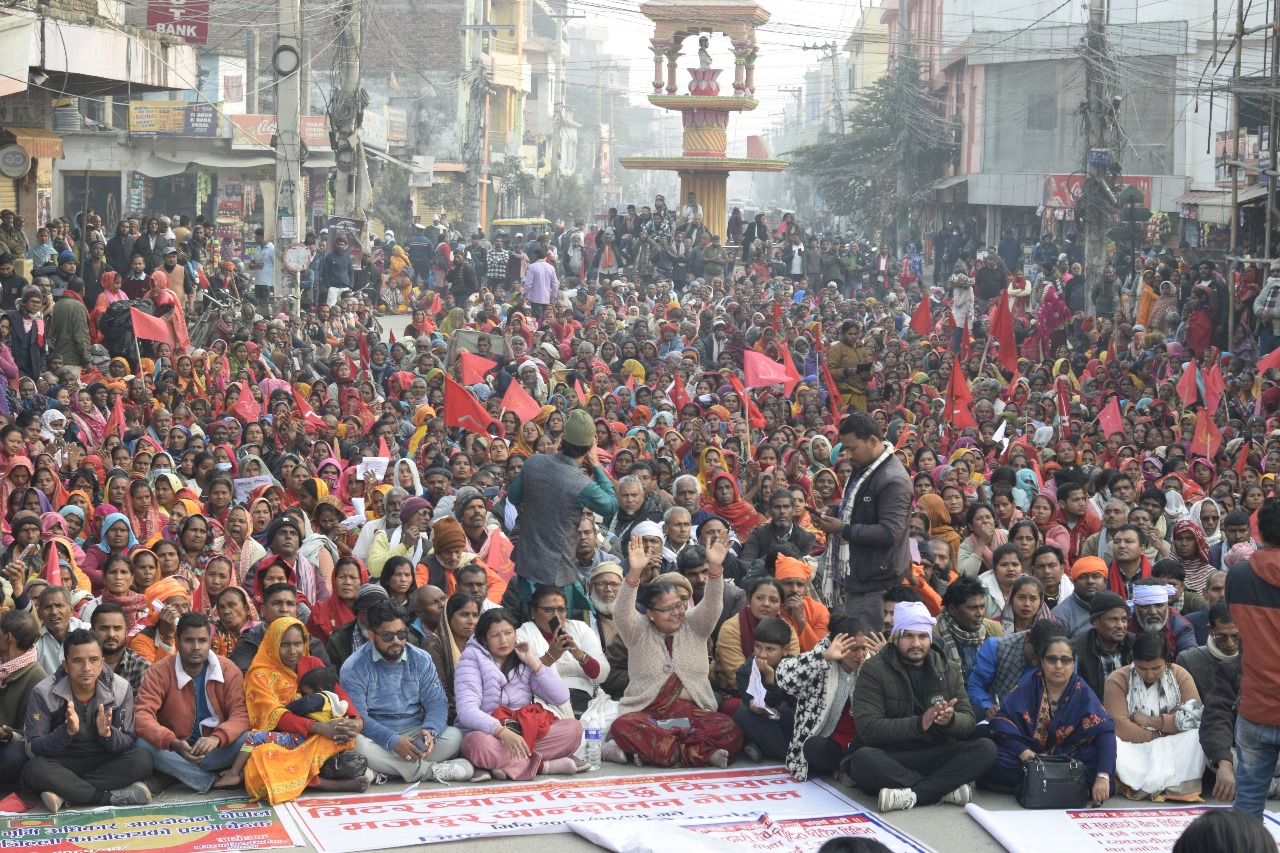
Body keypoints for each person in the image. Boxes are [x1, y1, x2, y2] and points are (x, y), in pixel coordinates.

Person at [604, 537, 742, 767]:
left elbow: (712, 605)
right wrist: (634, 574)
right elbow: (621, 613)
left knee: (730, 729)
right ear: (650, 613)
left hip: (691, 715)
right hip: (649, 716)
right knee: (623, 726)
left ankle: (656, 752)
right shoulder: (637, 631)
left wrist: (716, 569)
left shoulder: (695, 624)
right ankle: (700, 754)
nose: (676, 612)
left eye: (679, 605)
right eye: (667, 609)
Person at [847, 601, 996, 813]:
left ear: (930, 638)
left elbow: (968, 722)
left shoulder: (948, 668)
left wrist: (950, 721)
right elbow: (869, 729)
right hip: (893, 755)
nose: (916, 643)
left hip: (936, 752)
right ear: (896, 637)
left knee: (986, 748)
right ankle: (942, 789)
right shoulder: (874, 669)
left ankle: (914, 794)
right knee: (862, 760)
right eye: (908, 636)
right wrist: (919, 723)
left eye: (923, 636)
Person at [214, 617, 366, 802]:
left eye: (298, 644)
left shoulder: (311, 663)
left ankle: (313, 777)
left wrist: (356, 721)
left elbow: (336, 692)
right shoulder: (259, 675)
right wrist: (318, 728)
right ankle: (328, 784)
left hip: (318, 737)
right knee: (261, 757)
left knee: (341, 731)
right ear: (273, 643)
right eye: (285, 645)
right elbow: (276, 715)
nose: (293, 651)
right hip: (285, 740)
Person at [21, 629, 153, 812]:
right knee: (34, 769)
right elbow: (33, 747)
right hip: (62, 762)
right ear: (65, 665)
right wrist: (66, 732)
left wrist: (108, 734)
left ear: (102, 663)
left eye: (93, 660)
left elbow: (128, 742)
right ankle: (109, 797)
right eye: (77, 661)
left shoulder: (120, 688)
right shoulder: (43, 692)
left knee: (142, 759)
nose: (86, 668)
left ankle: (65, 792)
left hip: (104, 761)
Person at [341, 600, 472, 783]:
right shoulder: (354, 667)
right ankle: (431, 772)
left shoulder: (421, 659)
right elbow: (360, 719)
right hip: (377, 738)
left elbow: (436, 702)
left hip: (415, 734)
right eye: (387, 636)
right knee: (358, 745)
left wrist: (430, 732)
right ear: (371, 635)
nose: (396, 641)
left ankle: (384, 772)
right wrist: (393, 742)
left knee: (455, 736)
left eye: (402, 634)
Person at [983, 630, 1115, 804]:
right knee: (991, 754)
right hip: (1029, 756)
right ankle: (1060, 785)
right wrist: (1025, 753)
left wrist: (1103, 776)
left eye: (1065, 660)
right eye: (1052, 659)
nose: (1058, 666)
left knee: (1097, 764)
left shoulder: (1082, 693)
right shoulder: (1028, 685)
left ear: (1073, 663)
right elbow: (1001, 723)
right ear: (1042, 662)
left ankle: (1037, 784)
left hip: (1068, 759)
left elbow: (1105, 731)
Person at [454, 608, 587, 780]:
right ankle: (543, 766)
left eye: (508, 633)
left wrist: (534, 663)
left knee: (573, 728)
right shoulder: (471, 658)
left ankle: (506, 765)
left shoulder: (522, 655)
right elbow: (466, 710)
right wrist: (500, 731)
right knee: (477, 744)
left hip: (524, 731)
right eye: (495, 635)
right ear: (484, 638)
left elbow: (560, 697)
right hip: (488, 733)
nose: (503, 641)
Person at [813, 412, 912, 631]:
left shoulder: (893, 480)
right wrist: (833, 509)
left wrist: (843, 529)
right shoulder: (866, 467)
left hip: (876, 584)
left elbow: (889, 533)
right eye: (844, 448)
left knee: (864, 649)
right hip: (859, 579)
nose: (847, 455)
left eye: (852, 448)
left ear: (873, 441)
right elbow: (858, 505)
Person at [134, 612, 249, 793]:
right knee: (142, 744)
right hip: (178, 751)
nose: (196, 647)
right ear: (178, 643)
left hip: (217, 750)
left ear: (209, 643)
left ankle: (179, 774)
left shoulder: (227, 669)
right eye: (189, 641)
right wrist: (172, 742)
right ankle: (210, 780)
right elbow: (142, 716)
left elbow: (241, 715)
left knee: (249, 738)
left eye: (202, 641)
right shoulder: (159, 671)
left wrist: (217, 738)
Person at [508, 409, 618, 590]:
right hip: (557, 574)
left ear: (562, 441)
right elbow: (611, 506)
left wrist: (546, 458)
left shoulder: (534, 462)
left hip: (526, 562)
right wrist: (596, 465)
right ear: (591, 447)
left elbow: (513, 496)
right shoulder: (583, 484)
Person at [1224, 495, 1280, 817]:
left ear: (1257, 532)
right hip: (1256, 703)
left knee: (1247, 803)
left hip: (1255, 705)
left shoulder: (1239, 577)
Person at [1103, 631, 1205, 801]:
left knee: (1197, 733)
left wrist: (1151, 721)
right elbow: (1119, 725)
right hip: (1135, 745)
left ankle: (1177, 787)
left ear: (1167, 660)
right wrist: (1161, 733)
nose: (1149, 675)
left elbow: (1194, 717)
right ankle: (1140, 785)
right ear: (1132, 660)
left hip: (1175, 743)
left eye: (1156, 668)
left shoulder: (1180, 674)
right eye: (1142, 668)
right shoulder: (1117, 679)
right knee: (1111, 739)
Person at [775, 621, 876, 781]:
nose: (860, 655)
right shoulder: (821, 663)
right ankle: (846, 768)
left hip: (859, 742)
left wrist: (888, 661)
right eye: (854, 649)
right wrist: (824, 657)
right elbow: (783, 678)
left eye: (864, 648)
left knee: (873, 752)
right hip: (829, 742)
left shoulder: (873, 665)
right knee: (813, 747)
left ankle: (847, 767)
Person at [515, 585, 609, 716]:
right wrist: (551, 656)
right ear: (533, 612)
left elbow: (602, 675)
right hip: (546, 701)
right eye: (548, 610)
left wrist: (579, 654)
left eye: (561, 609)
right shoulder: (522, 635)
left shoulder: (580, 628)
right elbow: (522, 679)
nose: (556, 616)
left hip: (589, 698)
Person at [730, 615, 797, 763]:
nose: (762, 654)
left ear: (785, 650)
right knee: (742, 714)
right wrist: (768, 681)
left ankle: (763, 747)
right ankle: (783, 751)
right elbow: (749, 701)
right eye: (758, 646)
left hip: (787, 724)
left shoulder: (795, 670)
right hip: (765, 725)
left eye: (770, 649)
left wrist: (776, 712)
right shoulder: (746, 671)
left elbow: (796, 711)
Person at [0, 610, 45, 785]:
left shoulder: (36, 676)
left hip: (10, 744)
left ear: (9, 637)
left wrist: (9, 734)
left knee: (15, 756)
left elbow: (34, 732)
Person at [1073, 591, 1135, 700]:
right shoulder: (1077, 650)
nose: (1121, 625)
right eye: (1113, 619)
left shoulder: (1135, 644)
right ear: (1095, 622)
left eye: (1124, 619)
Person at [1174, 601, 1238, 699]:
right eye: (1222, 637)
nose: (1230, 643)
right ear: (1210, 630)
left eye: (1236, 636)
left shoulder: (1256, 660)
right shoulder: (1189, 661)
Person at [1053, 556, 1109, 639]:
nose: (1090, 581)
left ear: (1105, 581)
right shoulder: (1060, 616)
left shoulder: (1115, 607)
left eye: (1096, 576)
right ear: (1073, 582)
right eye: (1082, 577)